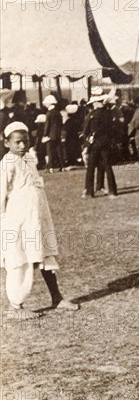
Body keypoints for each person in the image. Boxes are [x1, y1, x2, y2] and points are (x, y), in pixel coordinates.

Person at [1, 122, 79, 319]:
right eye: (17, 142)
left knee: (44, 253)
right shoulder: (6, 163)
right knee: (20, 259)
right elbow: (1, 195)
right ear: (7, 143)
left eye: (25, 141)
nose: (22, 146)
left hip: (37, 216)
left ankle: (57, 298)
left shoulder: (29, 158)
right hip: (18, 219)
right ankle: (15, 306)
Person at [81, 96, 118, 199]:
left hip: (95, 143)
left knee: (91, 167)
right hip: (106, 142)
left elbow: (89, 131)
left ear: (96, 103)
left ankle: (89, 191)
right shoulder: (109, 113)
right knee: (107, 166)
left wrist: (87, 146)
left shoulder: (93, 114)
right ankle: (112, 190)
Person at [42, 95, 63, 173]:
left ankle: (51, 167)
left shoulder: (49, 113)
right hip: (57, 134)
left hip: (50, 135)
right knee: (59, 151)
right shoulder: (58, 113)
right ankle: (62, 166)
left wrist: (45, 135)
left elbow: (47, 125)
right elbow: (60, 124)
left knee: (50, 151)